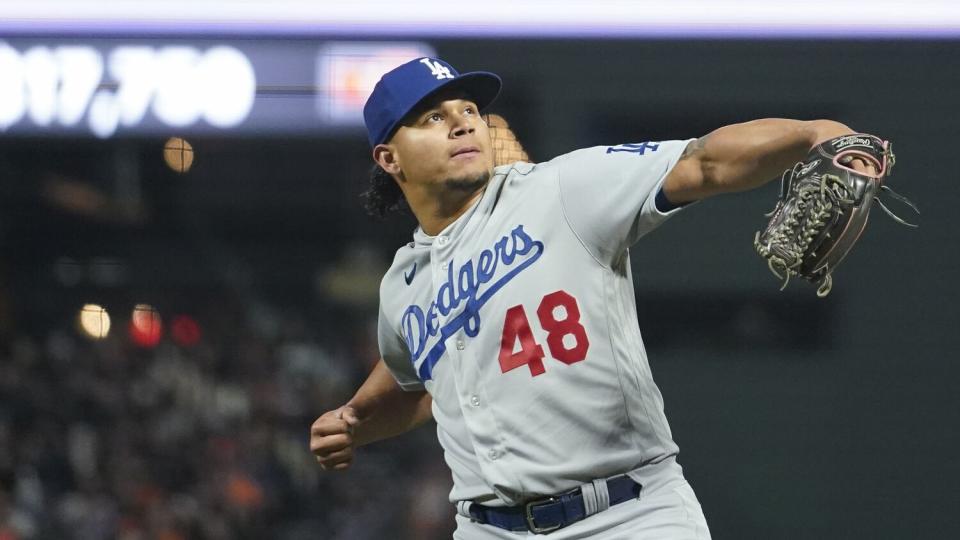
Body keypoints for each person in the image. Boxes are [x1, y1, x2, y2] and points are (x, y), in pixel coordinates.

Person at [310, 57, 877, 538]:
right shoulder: (402, 285)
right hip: (486, 527)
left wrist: (810, 133)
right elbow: (417, 374)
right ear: (389, 158)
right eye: (434, 118)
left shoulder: (561, 190)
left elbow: (702, 161)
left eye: (469, 113)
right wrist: (357, 418)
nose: (463, 126)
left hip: (630, 514)